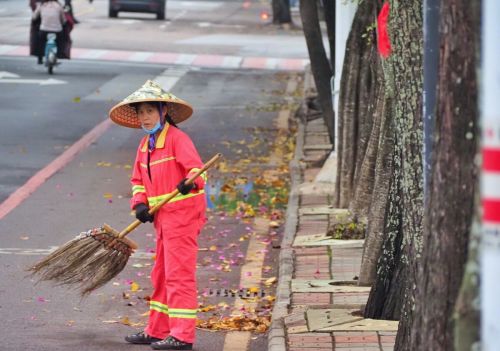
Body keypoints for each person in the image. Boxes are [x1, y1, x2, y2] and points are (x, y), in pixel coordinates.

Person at [108, 80, 207, 351]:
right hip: (163, 219)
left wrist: (189, 182)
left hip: (183, 217)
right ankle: (158, 330)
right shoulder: (144, 145)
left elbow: (199, 172)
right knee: (161, 274)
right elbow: (138, 180)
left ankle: (183, 336)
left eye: (150, 111)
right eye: (141, 112)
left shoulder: (178, 139)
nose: (144, 117)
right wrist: (140, 205)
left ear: (163, 112)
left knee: (179, 275)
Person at [32, 0, 66, 64]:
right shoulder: (59, 6)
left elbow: (34, 17)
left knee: (40, 42)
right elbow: (63, 20)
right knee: (61, 41)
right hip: (57, 31)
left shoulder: (41, 5)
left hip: (44, 30)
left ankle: (40, 58)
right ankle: (60, 54)